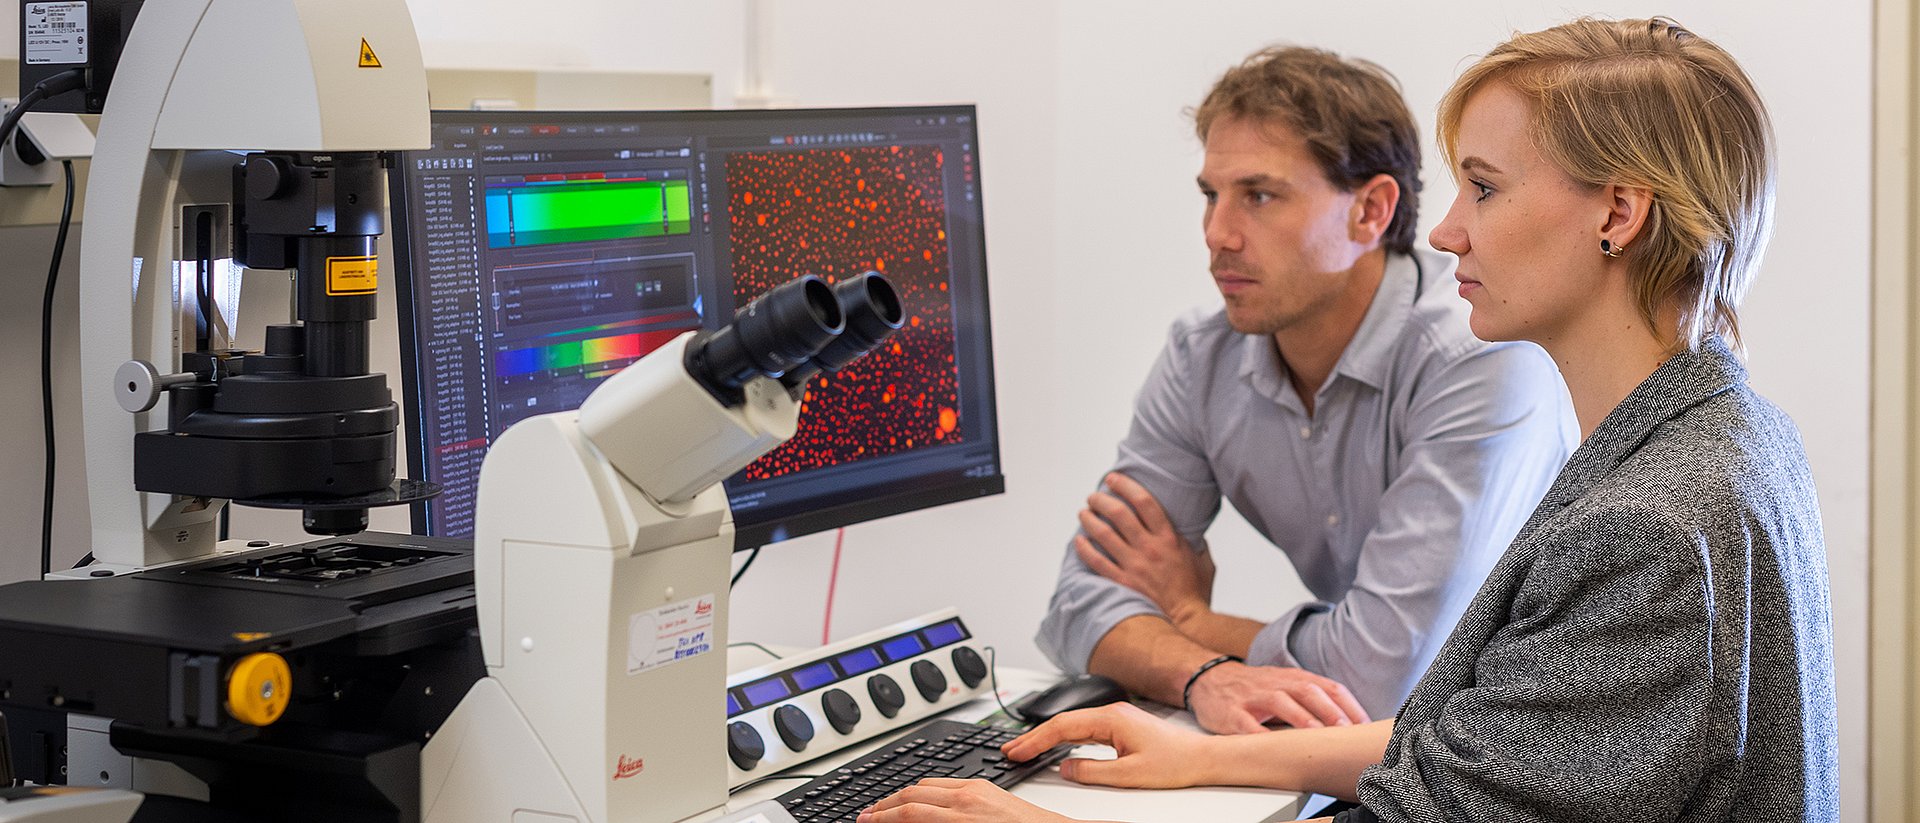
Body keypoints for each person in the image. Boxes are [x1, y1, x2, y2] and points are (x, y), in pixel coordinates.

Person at [864, 16, 1838, 823]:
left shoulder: (1648, 530)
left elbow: (1424, 756)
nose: (1449, 227)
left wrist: (1185, 637)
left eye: (1486, 188)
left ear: (1616, 215)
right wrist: (1194, 749)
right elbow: (1476, 743)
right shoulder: (1721, 434)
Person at [1035, 45, 1575, 732]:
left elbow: (1380, 676)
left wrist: (1194, 618)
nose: (1216, 234)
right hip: (1382, 759)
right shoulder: (1200, 358)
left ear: (1371, 211)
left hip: (1515, 751)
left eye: (1259, 196)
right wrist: (1203, 671)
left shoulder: (1481, 358)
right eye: (1211, 195)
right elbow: (1077, 603)